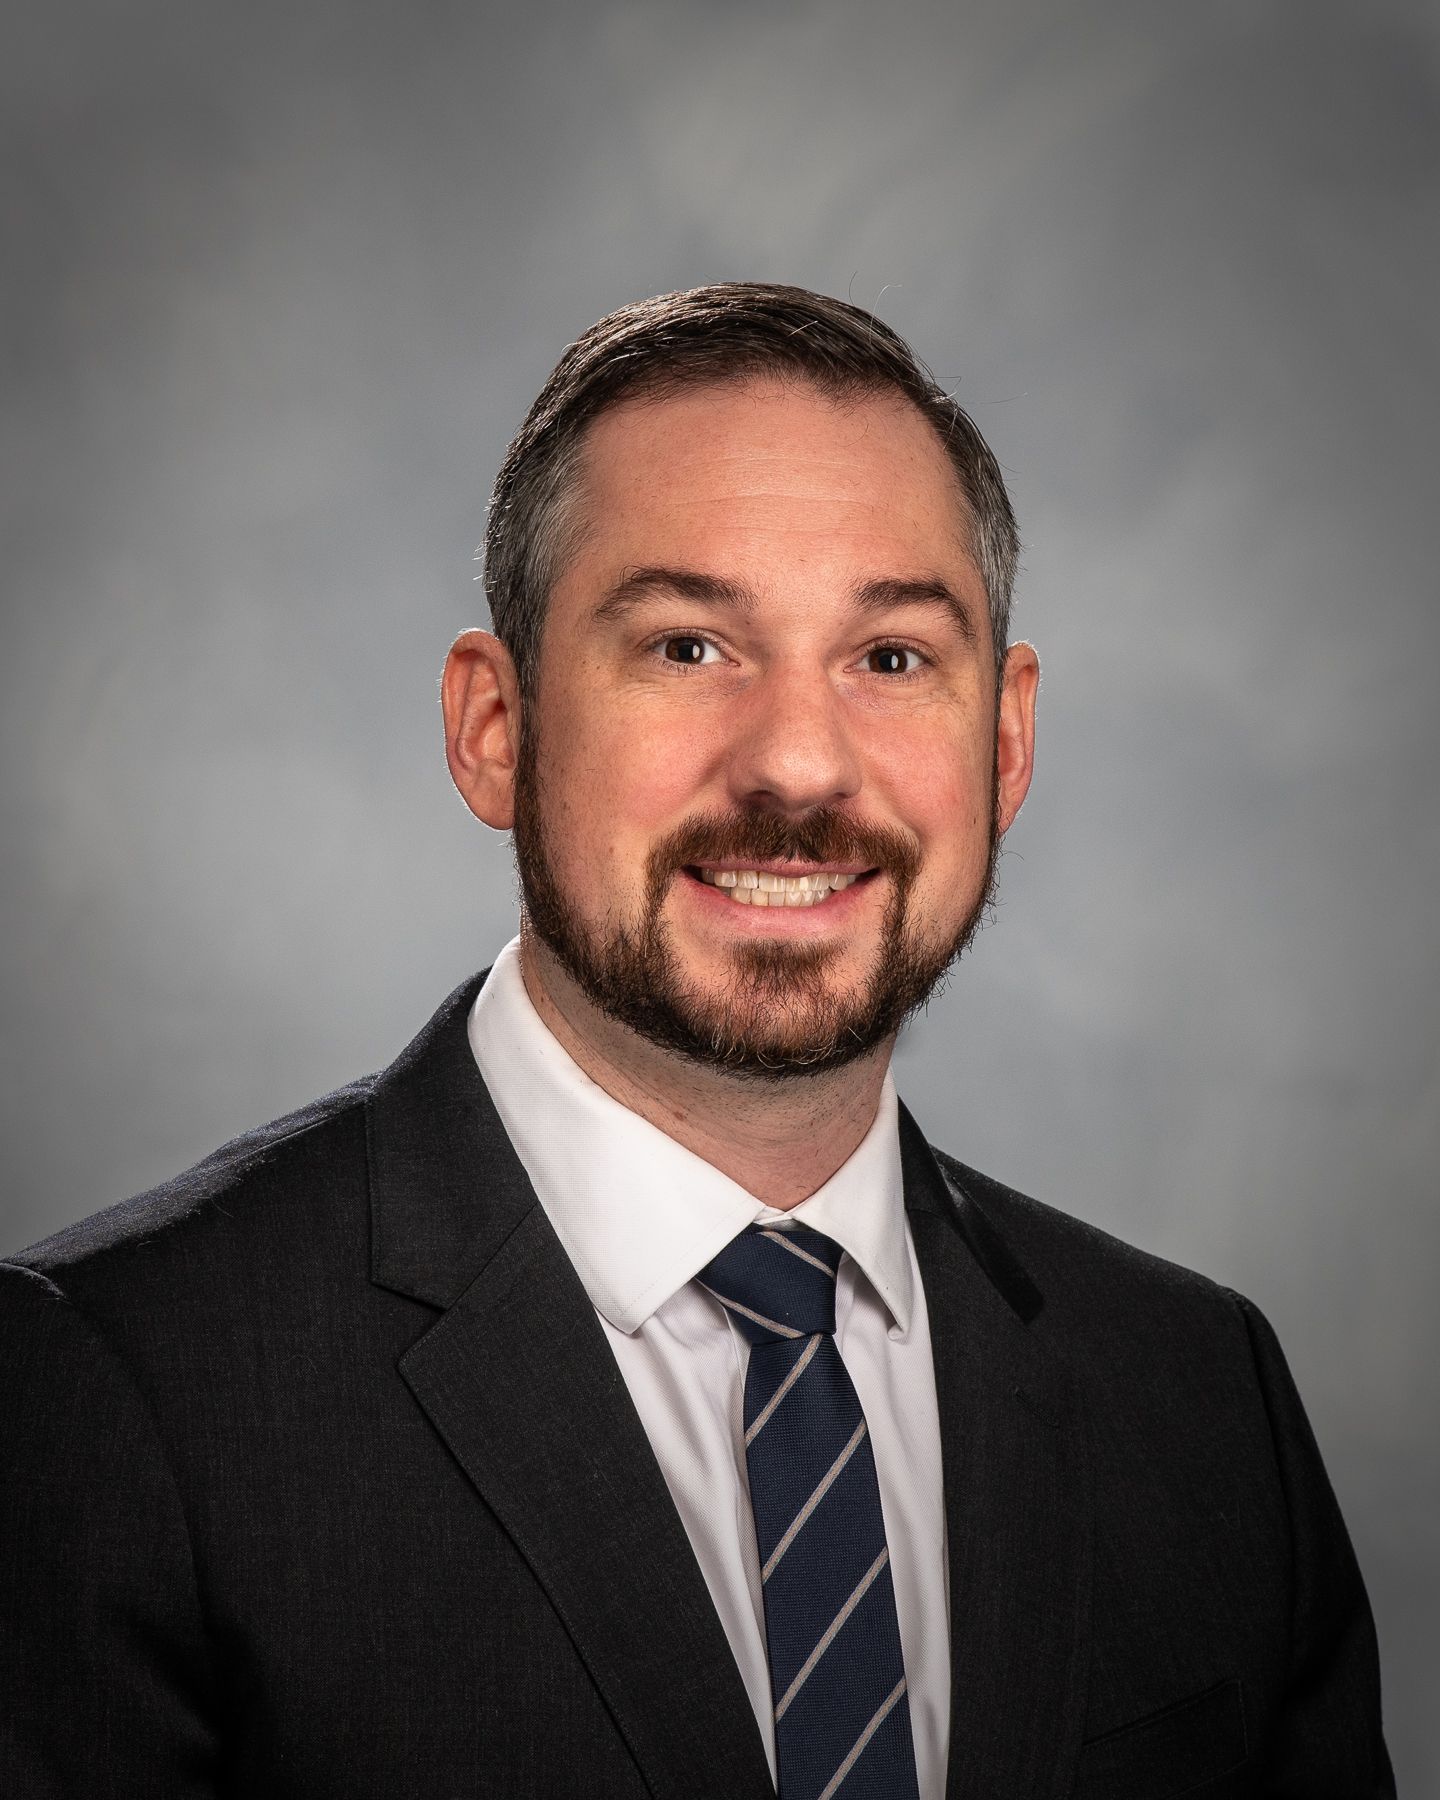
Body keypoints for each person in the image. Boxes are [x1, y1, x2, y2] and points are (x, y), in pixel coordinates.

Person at [0, 283, 1392, 1799]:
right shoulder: (116, 1395)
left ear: (1006, 744)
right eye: (686, 647)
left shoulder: (1199, 1400)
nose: (798, 762)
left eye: (893, 659)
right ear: (494, 728)